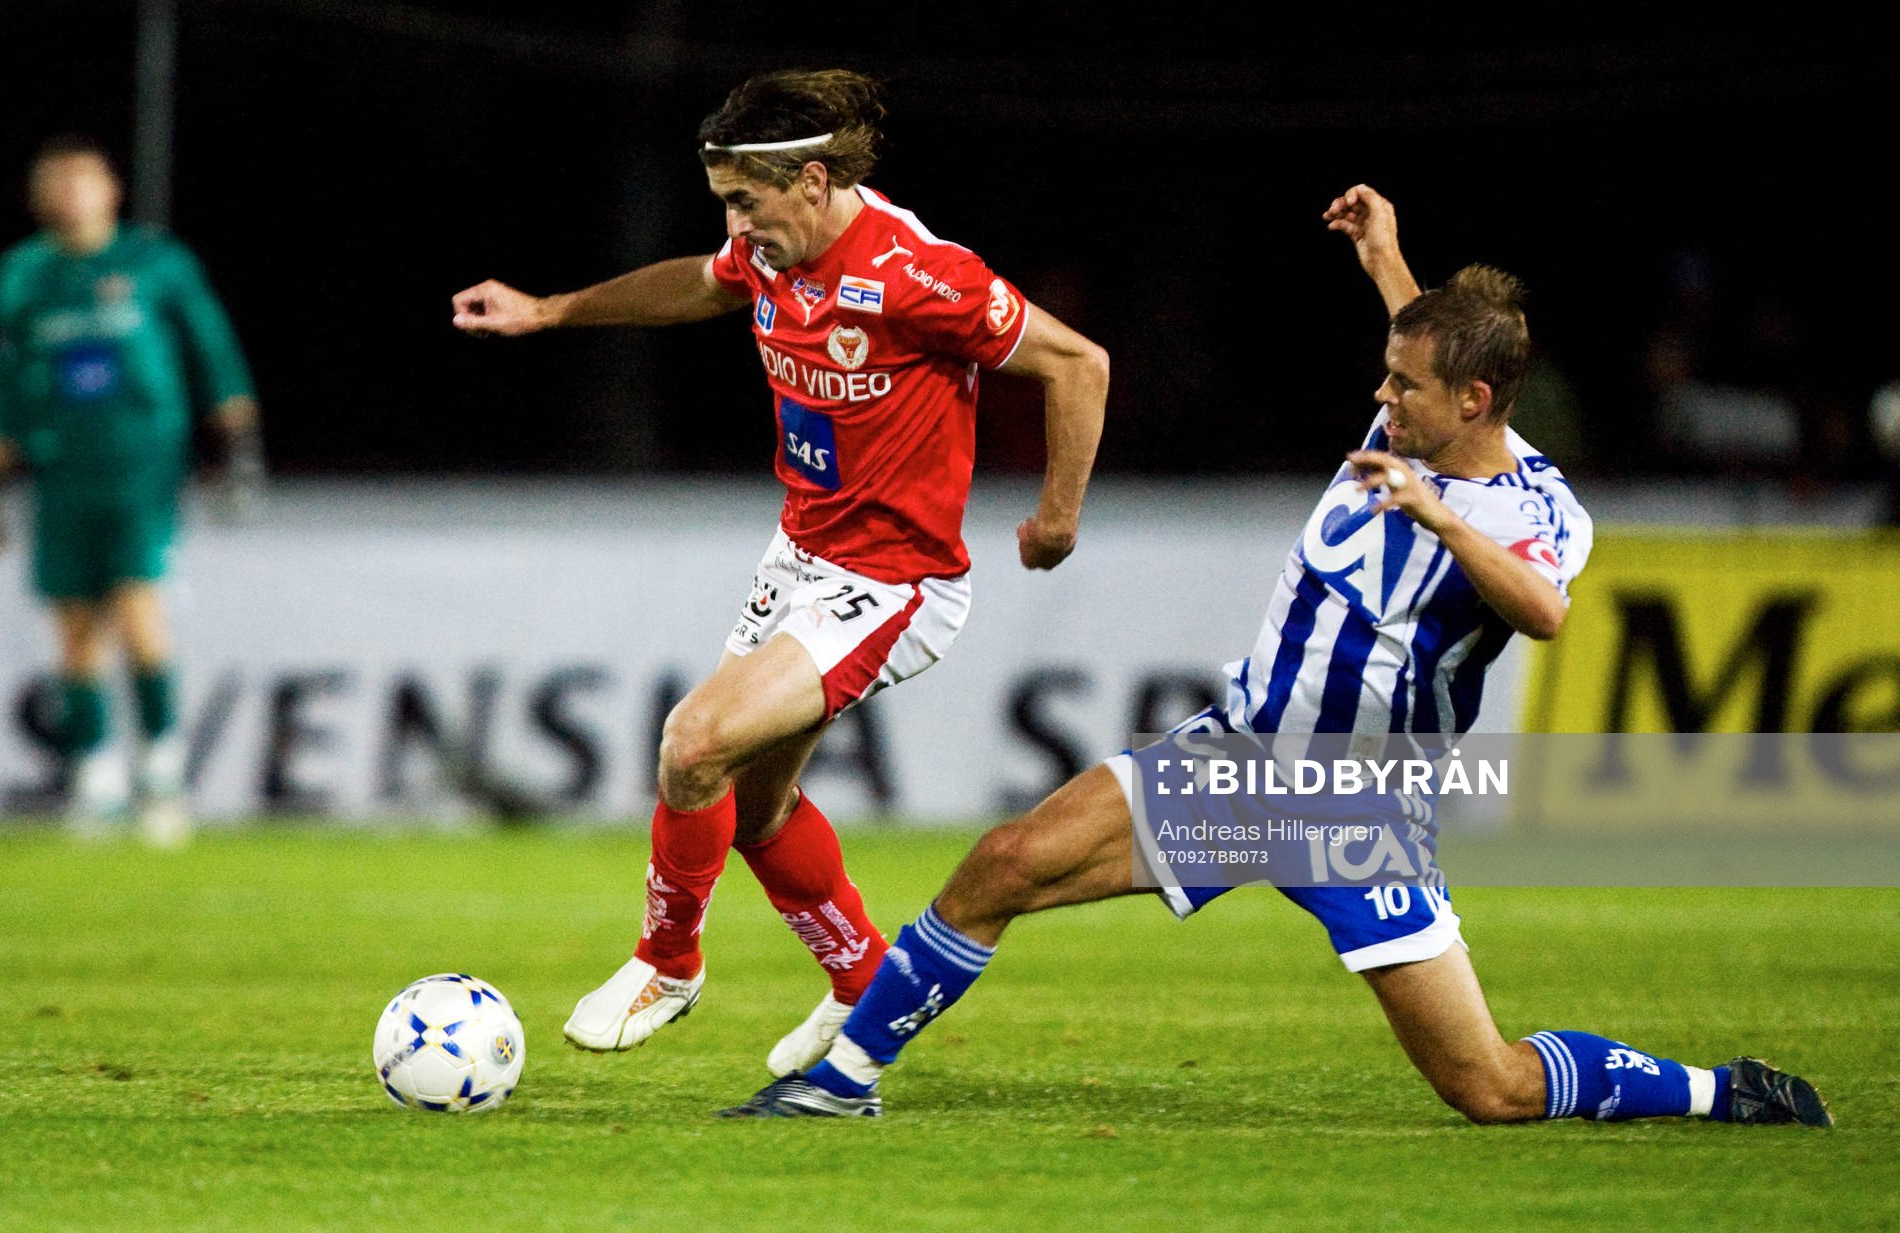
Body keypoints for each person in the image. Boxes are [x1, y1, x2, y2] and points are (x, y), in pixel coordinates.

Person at [721, 184, 1832, 1128]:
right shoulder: (1424, 411)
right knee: (1004, 866)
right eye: (1387, 377)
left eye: (1402, 388)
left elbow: (1543, 611)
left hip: (1357, 807)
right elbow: (1431, 344)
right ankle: (840, 1084)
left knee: (1484, 1087)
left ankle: (1716, 1094)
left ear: (1473, 404)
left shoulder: (1534, 506)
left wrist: (1440, 520)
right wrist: (1389, 260)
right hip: (1243, 763)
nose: (1380, 400)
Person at [450, 70, 1107, 1071]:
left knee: (693, 743)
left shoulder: (917, 275)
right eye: (725, 205)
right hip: (800, 555)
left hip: (895, 582)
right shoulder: (771, 249)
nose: (736, 225)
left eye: (744, 203)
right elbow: (705, 283)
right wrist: (551, 311)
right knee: (752, 806)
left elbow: (1078, 363)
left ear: (810, 181)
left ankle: (668, 962)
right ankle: (865, 988)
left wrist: (1056, 517)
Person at [0, 135, 264, 845]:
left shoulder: (152, 262)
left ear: (111, 190)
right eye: (57, 184)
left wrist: (234, 432)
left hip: (141, 465)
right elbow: (7, 375)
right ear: (39, 199)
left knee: (138, 614)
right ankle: (96, 783)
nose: (71, 196)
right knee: (75, 630)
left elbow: (211, 345)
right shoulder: (22, 275)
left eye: (84, 181)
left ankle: (163, 778)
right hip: (59, 468)